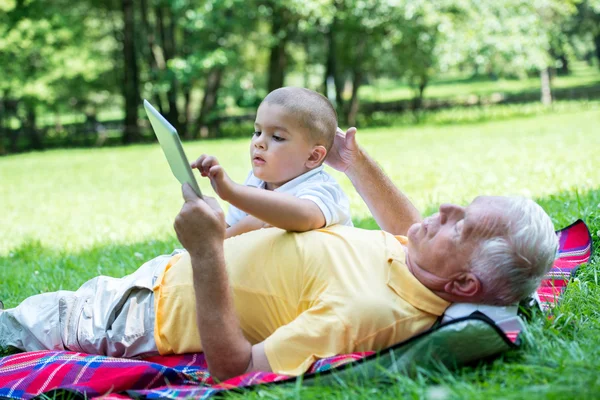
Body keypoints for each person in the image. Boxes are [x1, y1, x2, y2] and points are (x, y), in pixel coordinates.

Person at [0, 127, 558, 382]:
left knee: (18, 326)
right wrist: (354, 161)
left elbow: (234, 369)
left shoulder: (367, 314)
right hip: (158, 282)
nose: (446, 207)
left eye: (460, 224)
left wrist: (205, 252)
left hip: (141, 315)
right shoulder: (421, 266)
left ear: (463, 287)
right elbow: (409, 227)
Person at [192, 87, 353, 239]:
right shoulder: (256, 182)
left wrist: (233, 192)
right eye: (257, 132)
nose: (259, 142)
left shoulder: (322, 188)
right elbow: (229, 236)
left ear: (313, 157)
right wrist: (213, 219)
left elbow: (305, 216)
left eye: (277, 137)